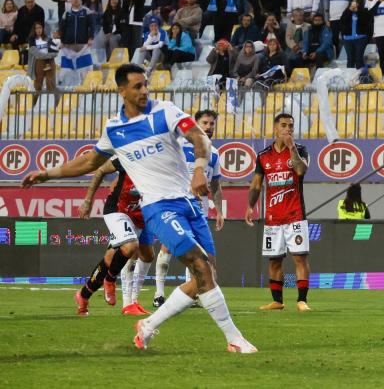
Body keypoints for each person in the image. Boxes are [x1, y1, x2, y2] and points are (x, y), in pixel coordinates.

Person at [22, 63, 256, 353]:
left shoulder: (165, 111)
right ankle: (235, 340)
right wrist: (46, 174)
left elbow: (199, 137)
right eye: (137, 86)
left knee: (207, 276)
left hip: (191, 205)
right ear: (122, 90)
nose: (145, 90)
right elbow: (88, 163)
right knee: (199, 266)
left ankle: (148, 325)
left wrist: (198, 170)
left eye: (146, 84)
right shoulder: (114, 130)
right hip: (159, 208)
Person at [154, 109, 224, 308]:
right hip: (175, 203)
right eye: (205, 123)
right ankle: (159, 294)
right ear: (196, 124)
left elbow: (216, 185)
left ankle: (193, 294)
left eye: (212, 123)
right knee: (167, 246)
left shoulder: (215, 153)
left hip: (199, 207)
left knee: (198, 251)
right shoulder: (179, 145)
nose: (209, 127)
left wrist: (219, 210)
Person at [246, 113, 312, 312]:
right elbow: (256, 185)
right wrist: (250, 206)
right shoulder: (264, 155)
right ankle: (277, 301)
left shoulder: (300, 150)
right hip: (273, 218)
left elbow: (301, 171)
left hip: (295, 215)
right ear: (275, 129)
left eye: (291, 126)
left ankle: (302, 300)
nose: (288, 129)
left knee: (300, 258)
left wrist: (291, 148)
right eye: (284, 125)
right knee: (274, 260)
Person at [77, 157, 154, 316]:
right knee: (131, 247)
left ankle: (83, 295)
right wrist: (88, 201)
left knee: (111, 258)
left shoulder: (162, 162)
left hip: (140, 215)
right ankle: (113, 282)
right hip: (118, 210)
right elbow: (101, 170)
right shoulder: (129, 155)